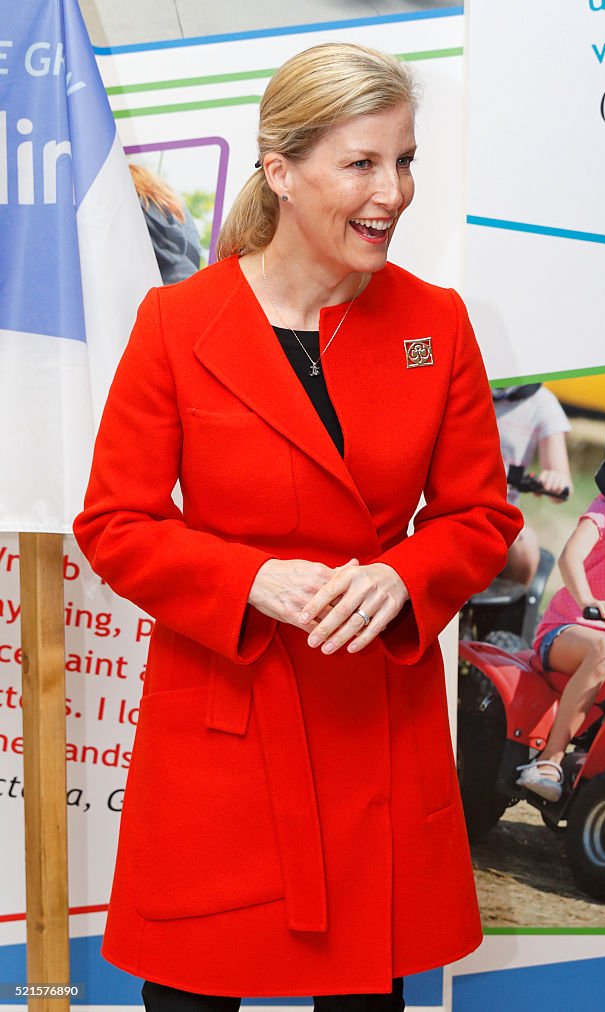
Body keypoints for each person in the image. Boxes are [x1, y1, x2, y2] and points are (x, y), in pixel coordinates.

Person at [74, 43, 521, 1012]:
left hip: (376, 733)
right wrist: (248, 582)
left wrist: (405, 575)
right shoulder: (175, 325)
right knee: (193, 997)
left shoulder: (435, 325)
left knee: (364, 996)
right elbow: (116, 523)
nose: (393, 191)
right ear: (279, 170)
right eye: (362, 163)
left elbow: (480, 515)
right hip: (222, 737)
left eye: (404, 161)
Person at [518, 385, 605, 802]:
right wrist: (588, 604)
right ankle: (550, 757)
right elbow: (569, 558)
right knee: (601, 649)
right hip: (567, 631)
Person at [492, 383, 572, 584]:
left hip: (499, 511)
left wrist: (555, 479)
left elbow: (562, 485)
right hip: (450, 497)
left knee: (525, 545)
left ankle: (509, 612)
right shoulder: (464, 383)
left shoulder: (542, 404)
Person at [129, 163, 202, 284]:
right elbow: (194, 251)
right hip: (190, 281)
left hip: (158, 288)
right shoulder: (176, 208)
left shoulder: (135, 209)